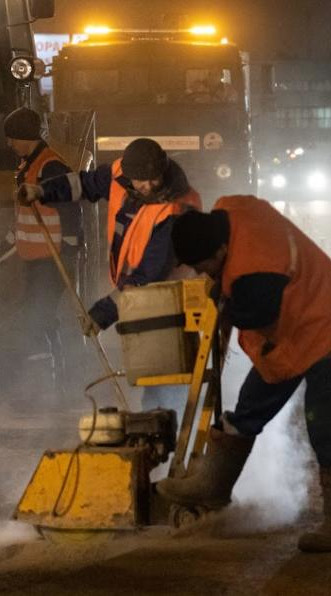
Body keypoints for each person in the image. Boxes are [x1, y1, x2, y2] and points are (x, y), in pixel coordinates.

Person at [159, 195, 331, 553]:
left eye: (203, 266)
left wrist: (226, 303)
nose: (200, 273)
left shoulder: (254, 272)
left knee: (323, 424)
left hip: (328, 329)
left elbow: (254, 313)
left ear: (221, 249)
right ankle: (213, 485)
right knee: (250, 406)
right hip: (302, 324)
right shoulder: (234, 208)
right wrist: (223, 286)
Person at [17, 138, 201, 421]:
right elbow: (82, 184)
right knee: (151, 373)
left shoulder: (174, 211)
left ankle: (170, 432)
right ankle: (159, 430)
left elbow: (148, 277)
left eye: (154, 179)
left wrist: (102, 313)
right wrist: (41, 191)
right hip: (140, 295)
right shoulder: (117, 176)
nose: (149, 187)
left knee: (166, 373)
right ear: (128, 175)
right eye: (141, 181)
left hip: (170, 299)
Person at [3, 107, 78, 372]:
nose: (9, 144)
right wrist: (10, 240)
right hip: (38, 257)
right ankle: (51, 370)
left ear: (24, 137)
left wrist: (69, 244)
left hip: (52, 257)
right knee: (37, 313)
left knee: (38, 314)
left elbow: (68, 203)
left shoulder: (50, 166)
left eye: (11, 138)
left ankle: (46, 375)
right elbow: (28, 213)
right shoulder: (30, 166)